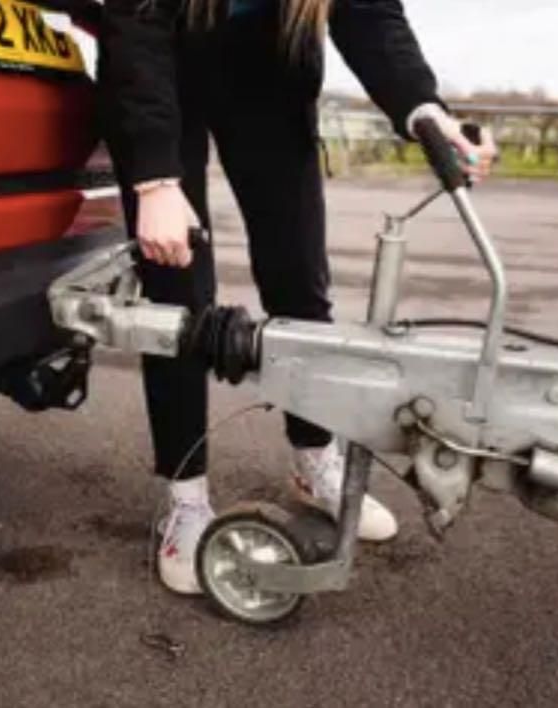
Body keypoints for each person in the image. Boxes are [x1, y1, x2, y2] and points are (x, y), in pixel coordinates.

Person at [100, 0, 496, 593]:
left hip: (271, 57)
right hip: (161, 54)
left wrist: (424, 108)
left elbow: (370, 14)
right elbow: (136, 20)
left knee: (299, 276)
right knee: (176, 293)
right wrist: (155, 178)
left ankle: (313, 460)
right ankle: (185, 497)